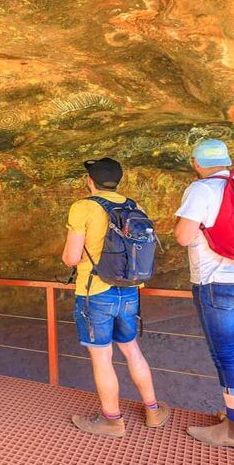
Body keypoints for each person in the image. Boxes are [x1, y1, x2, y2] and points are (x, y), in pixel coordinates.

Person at [62, 158, 170, 437]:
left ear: (90, 181)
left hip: (94, 292)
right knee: (132, 349)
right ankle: (153, 410)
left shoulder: (83, 206)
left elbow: (71, 257)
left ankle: (112, 420)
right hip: (130, 290)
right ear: (118, 181)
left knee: (102, 357)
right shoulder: (134, 206)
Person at [174, 139, 234, 451]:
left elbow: (183, 236)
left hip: (219, 282)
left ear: (196, 163)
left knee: (226, 355)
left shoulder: (201, 189)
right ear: (227, 160)